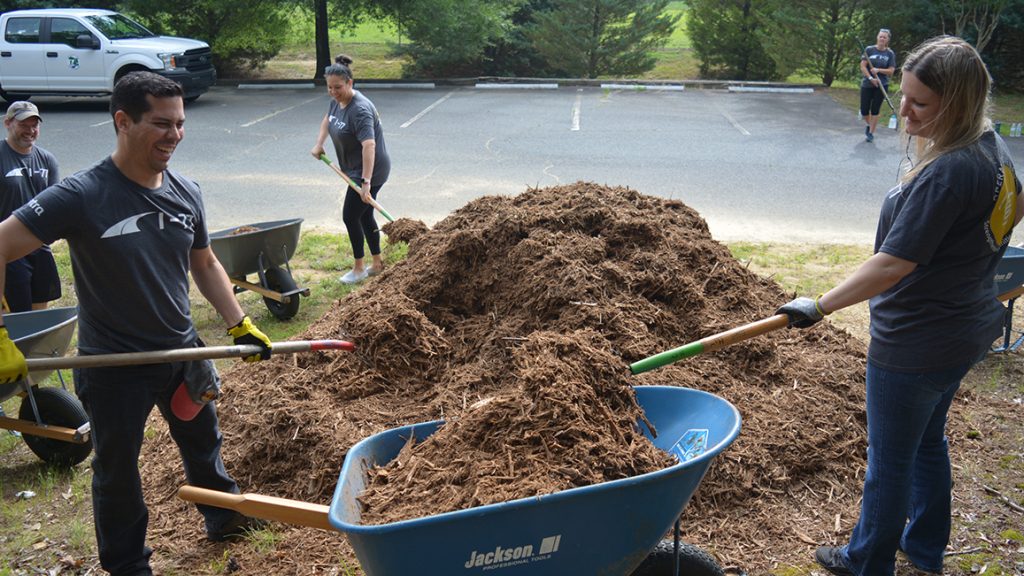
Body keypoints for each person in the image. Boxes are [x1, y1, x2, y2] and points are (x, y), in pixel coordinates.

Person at [0, 72, 274, 575]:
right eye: (161, 124)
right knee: (117, 470)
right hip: (115, 364)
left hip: (182, 356)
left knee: (203, 443)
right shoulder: (81, 195)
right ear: (122, 121)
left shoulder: (186, 191)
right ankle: (127, 563)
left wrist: (238, 323)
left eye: (181, 124)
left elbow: (206, 262)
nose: (174, 135)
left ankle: (224, 517)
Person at [777, 36, 1022, 576]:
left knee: (888, 466)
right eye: (902, 95)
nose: (902, 109)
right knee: (927, 441)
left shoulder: (949, 171)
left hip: (916, 342)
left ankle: (867, 562)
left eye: (920, 103)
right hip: (965, 327)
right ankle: (926, 547)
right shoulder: (993, 151)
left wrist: (818, 306)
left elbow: (892, 264)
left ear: (957, 104)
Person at [310, 54, 391, 284]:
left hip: (370, 170)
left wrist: (366, 183)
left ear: (350, 84)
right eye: (329, 88)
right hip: (355, 168)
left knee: (350, 216)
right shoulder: (337, 100)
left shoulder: (361, 110)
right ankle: (377, 263)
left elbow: (369, 145)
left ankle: (358, 268)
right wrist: (319, 144)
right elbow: (328, 118)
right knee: (364, 216)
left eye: (338, 87)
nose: (333, 92)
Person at [0, 101, 61, 312]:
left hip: (39, 247)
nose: (31, 130)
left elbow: (55, 204)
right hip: (10, 251)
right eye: (24, 124)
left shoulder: (47, 160)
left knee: (39, 316)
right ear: (8, 123)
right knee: (17, 316)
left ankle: (36, 346)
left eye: (35, 125)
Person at [860, 28, 896, 143]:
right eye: (880, 36)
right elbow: (863, 66)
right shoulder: (869, 50)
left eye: (884, 37)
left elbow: (891, 71)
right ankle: (870, 125)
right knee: (864, 110)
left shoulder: (889, 54)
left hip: (881, 85)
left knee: (875, 110)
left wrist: (878, 70)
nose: (882, 39)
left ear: (887, 40)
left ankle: (871, 133)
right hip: (867, 83)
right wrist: (871, 78)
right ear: (877, 37)